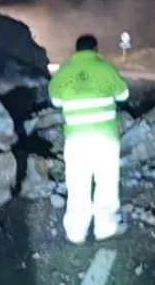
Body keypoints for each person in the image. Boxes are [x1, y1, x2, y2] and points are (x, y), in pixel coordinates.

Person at [48, 34, 129, 243]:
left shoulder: (64, 71)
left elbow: (56, 100)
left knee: (77, 184)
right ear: (95, 49)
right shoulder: (105, 68)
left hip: (76, 140)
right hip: (105, 139)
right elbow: (123, 95)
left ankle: (76, 232)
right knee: (106, 182)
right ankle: (105, 227)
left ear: (76, 50)